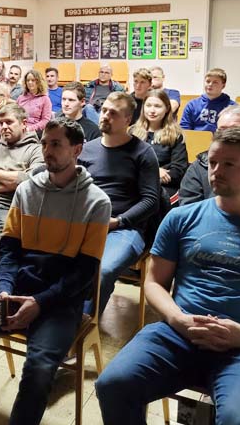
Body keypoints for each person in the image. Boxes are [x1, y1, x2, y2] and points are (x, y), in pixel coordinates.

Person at [96, 127, 240, 425]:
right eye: (212, 162)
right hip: (178, 334)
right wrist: (178, 319)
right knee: (112, 385)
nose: (216, 171)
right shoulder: (180, 219)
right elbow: (154, 283)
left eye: (229, 164)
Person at [0, 117, 111, 425]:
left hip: (58, 305)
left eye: (56, 144)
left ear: (77, 149)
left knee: (39, 370)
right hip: (12, 295)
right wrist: (3, 289)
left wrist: (39, 303)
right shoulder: (26, 191)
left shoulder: (97, 202)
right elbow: (9, 250)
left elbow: (84, 273)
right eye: (44, 143)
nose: (47, 151)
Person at [78, 92, 160, 315]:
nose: (105, 115)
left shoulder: (143, 152)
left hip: (125, 228)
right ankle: (62, 318)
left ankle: (84, 325)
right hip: (87, 224)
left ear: (127, 120)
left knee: (102, 271)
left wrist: (118, 221)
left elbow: (151, 200)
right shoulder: (87, 149)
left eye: (113, 113)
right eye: (104, 110)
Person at [0, 104, 44, 236]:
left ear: (24, 123)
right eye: (1, 123)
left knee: (10, 241)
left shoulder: (36, 150)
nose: (4, 127)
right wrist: (14, 183)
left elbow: (32, 181)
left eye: (9, 122)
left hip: (14, 207)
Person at [130, 90, 188, 202]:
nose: (152, 110)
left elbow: (178, 170)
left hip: (164, 186)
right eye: (148, 105)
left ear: (167, 109)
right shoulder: (132, 132)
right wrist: (154, 172)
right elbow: (127, 165)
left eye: (157, 106)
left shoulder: (176, 135)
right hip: (136, 184)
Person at [180, 67, 235, 132]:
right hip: (196, 137)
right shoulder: (192, 105)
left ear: (223, 85)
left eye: (215, 82)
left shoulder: (231, 107)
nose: (210, 84)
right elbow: (184, 128)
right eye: (208, 81)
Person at [16, 69, 53, 134]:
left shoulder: (45, 99)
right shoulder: (20, 98)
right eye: (28, 80)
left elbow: (45, 121)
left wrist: (29, 129)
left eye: (33, 80)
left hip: (35, 132)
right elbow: (14, 115)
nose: (30, 82)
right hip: (19, 129)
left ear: (39, 82)